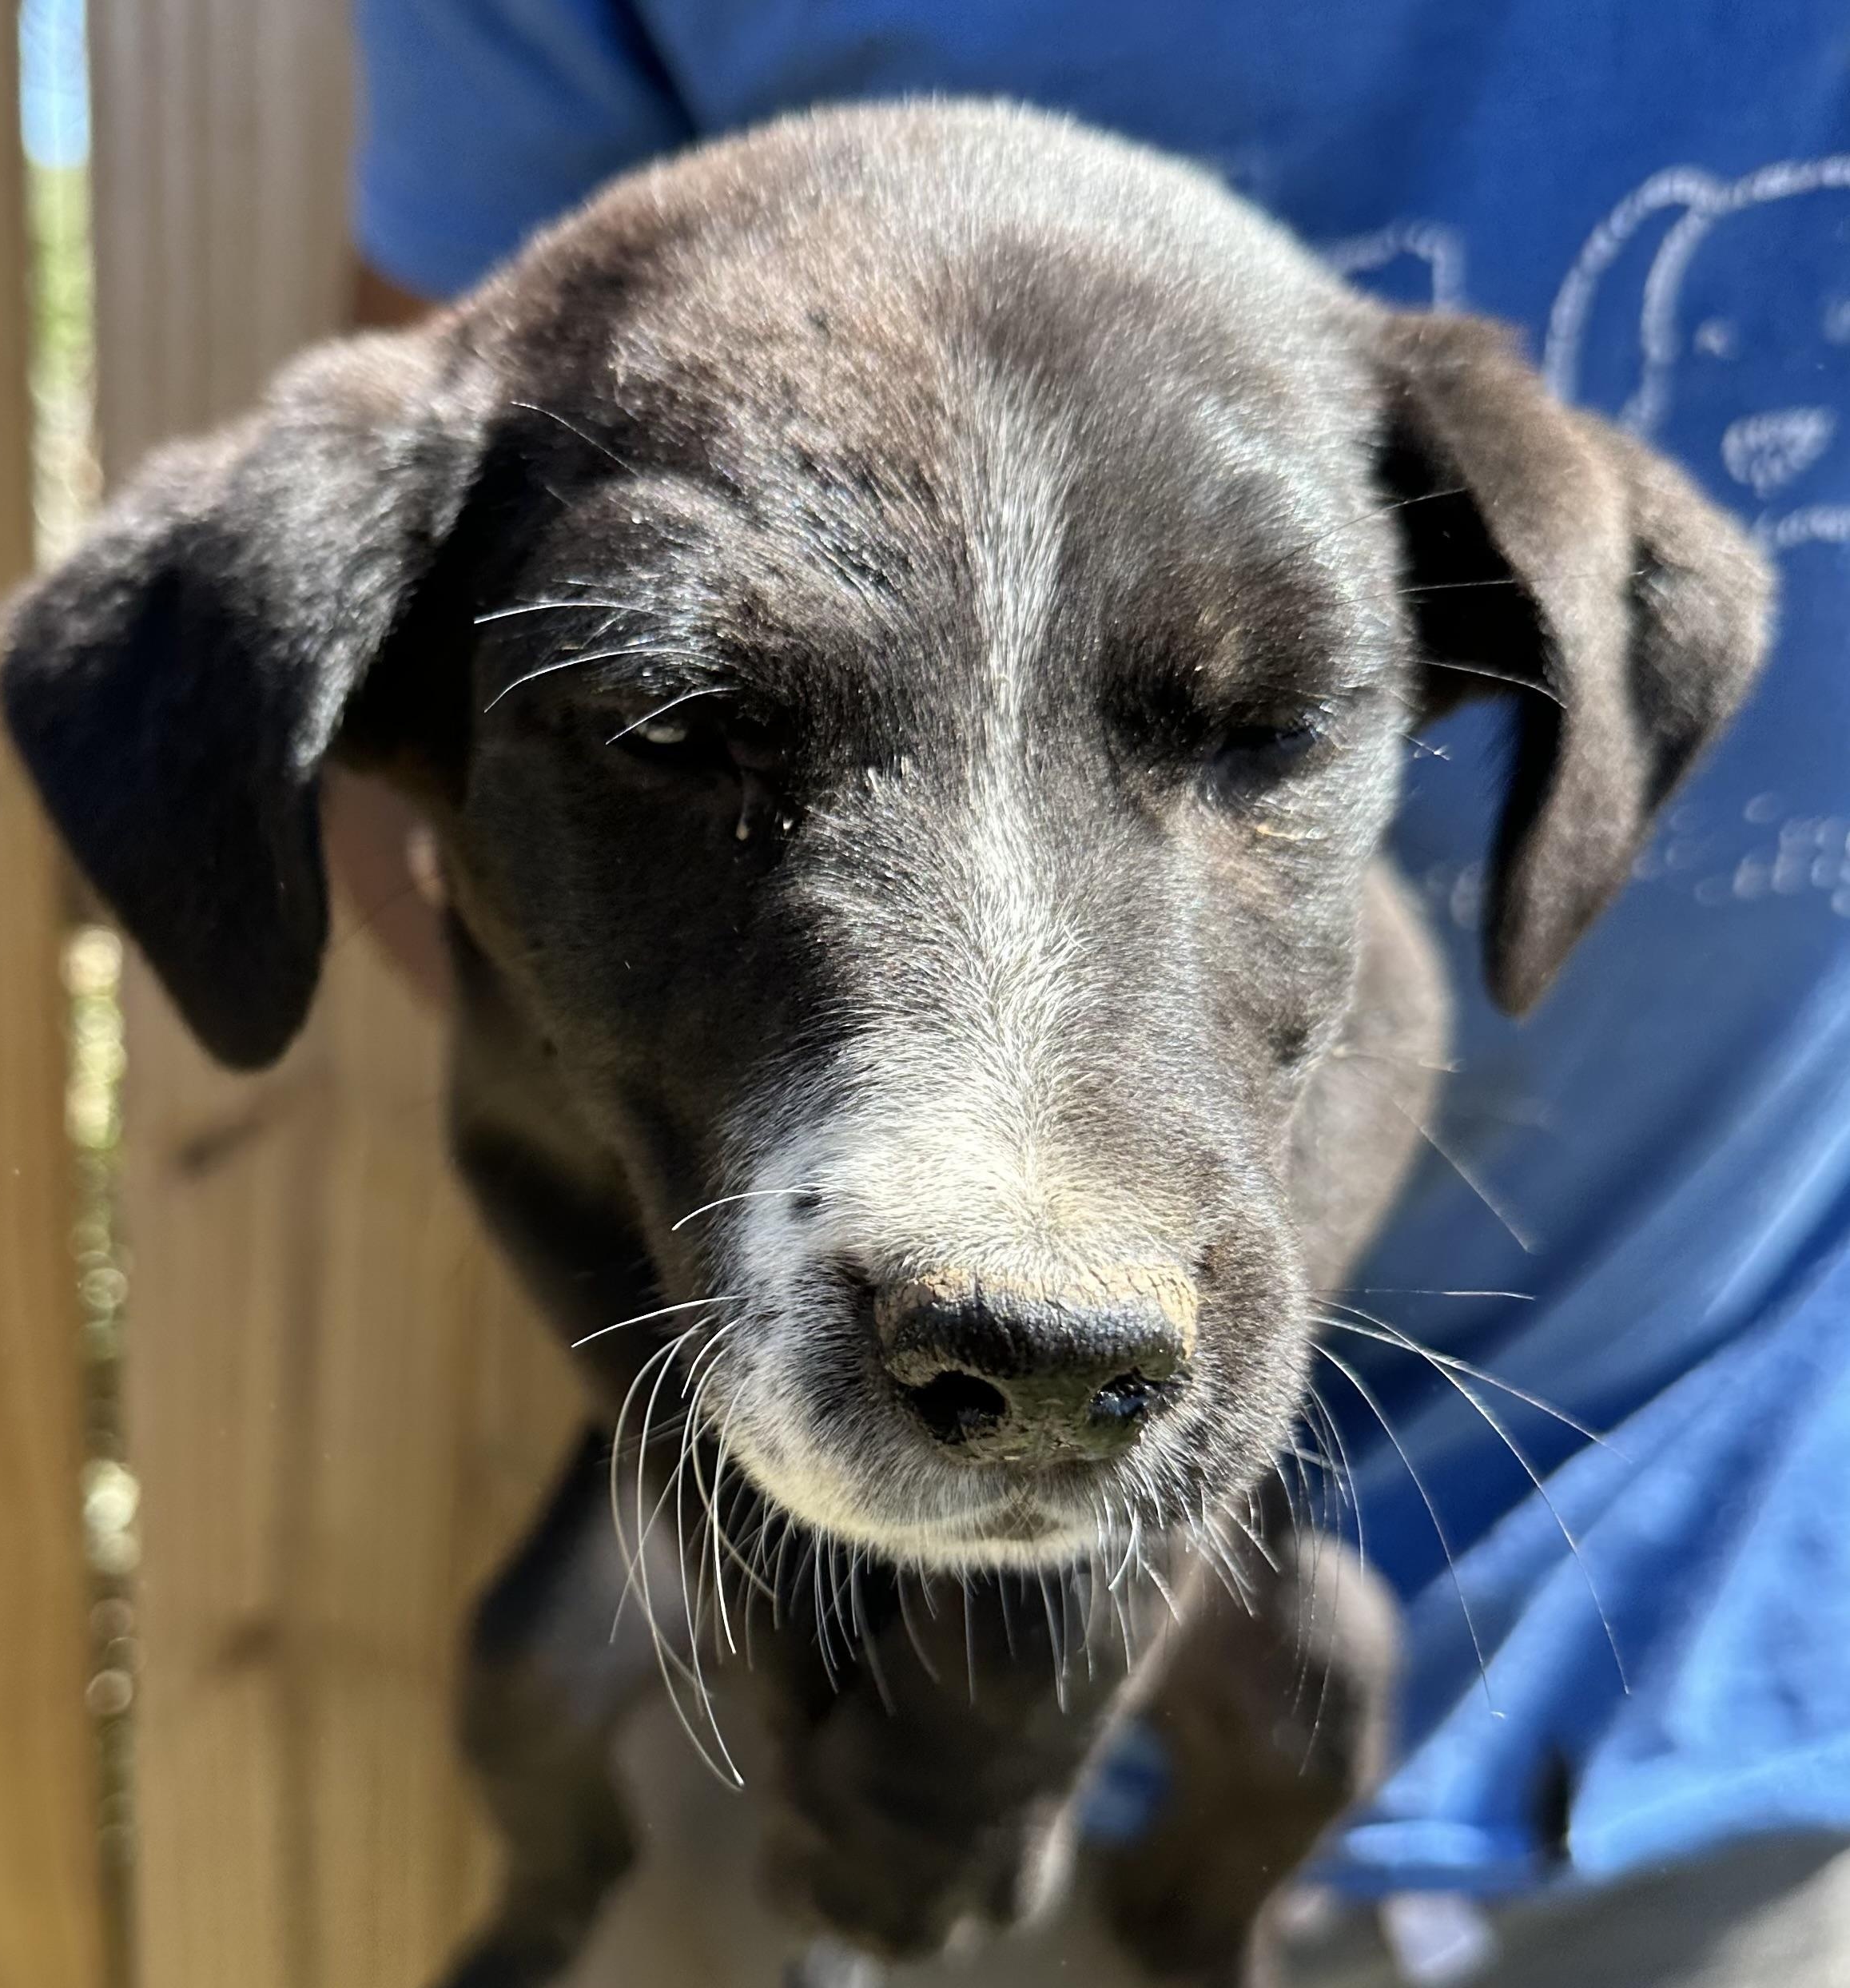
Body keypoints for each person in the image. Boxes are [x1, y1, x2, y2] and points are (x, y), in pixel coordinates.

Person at [333, 6, 1850, 1981]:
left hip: (1710, 1624)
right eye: (688, 722)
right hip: (798, 1657)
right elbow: (439, 783)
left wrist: (1062, 1636)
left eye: (1260, 734)